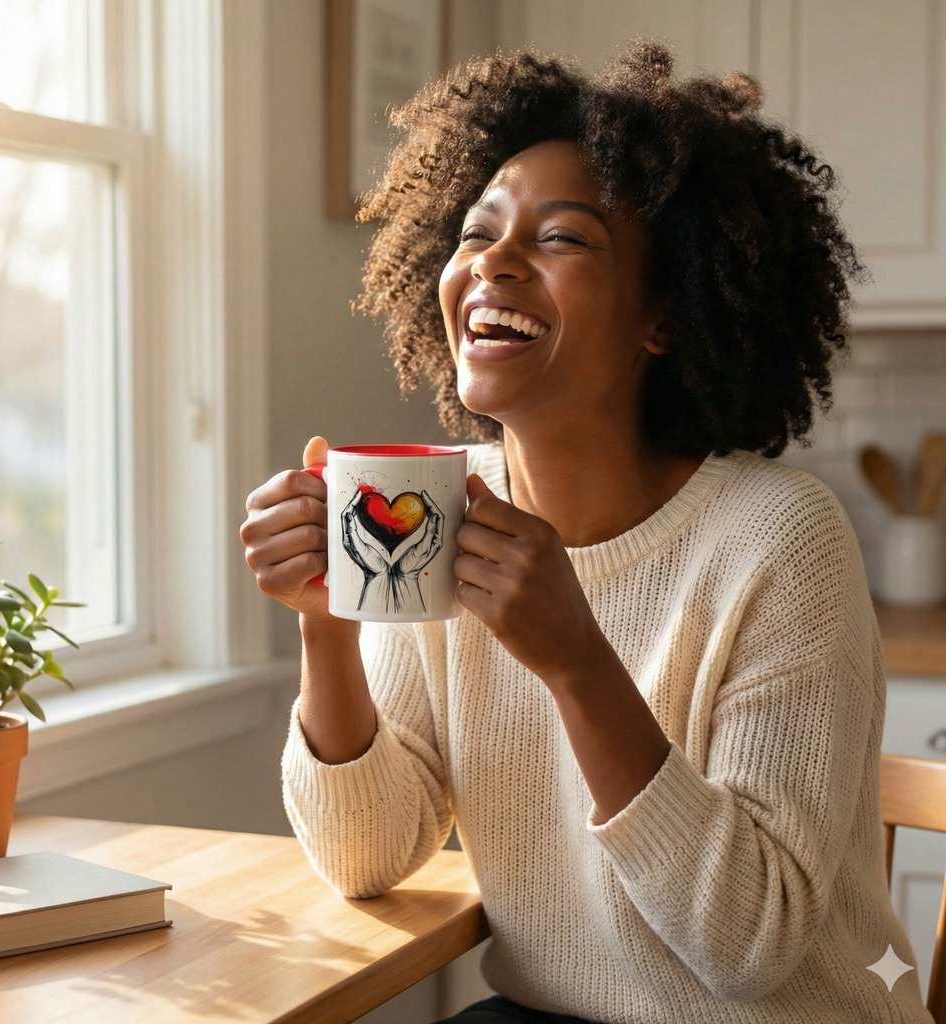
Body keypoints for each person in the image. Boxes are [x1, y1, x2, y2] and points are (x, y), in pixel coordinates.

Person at [240, 43, 932, 1024]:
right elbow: (365, 858)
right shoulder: (445, 511)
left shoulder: (778, 538)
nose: (493, 263)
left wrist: (575, 661)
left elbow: (750, 946)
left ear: (664, 315)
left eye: (561, 239)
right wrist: (328, 627)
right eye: (476, 233)